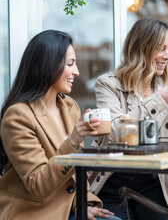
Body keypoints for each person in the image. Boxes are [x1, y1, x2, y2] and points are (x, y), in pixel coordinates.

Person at [0, 30, 121, 220]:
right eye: (70, 64)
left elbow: (75, 172)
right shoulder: (17, 116)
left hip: (70, 209)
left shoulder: (69, 106)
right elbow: (38, 184)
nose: (77, 72)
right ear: (47, 65)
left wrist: (84, 204)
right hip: (34, 213)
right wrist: (73, 140)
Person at [90, 18, 168, 220]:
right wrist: (158, 101)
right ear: (141, 48)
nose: (167, 56)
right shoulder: (108, 84)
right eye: (161, 49)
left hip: (154, 182)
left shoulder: (165, 85)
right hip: (113, 181)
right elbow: (115, 131)